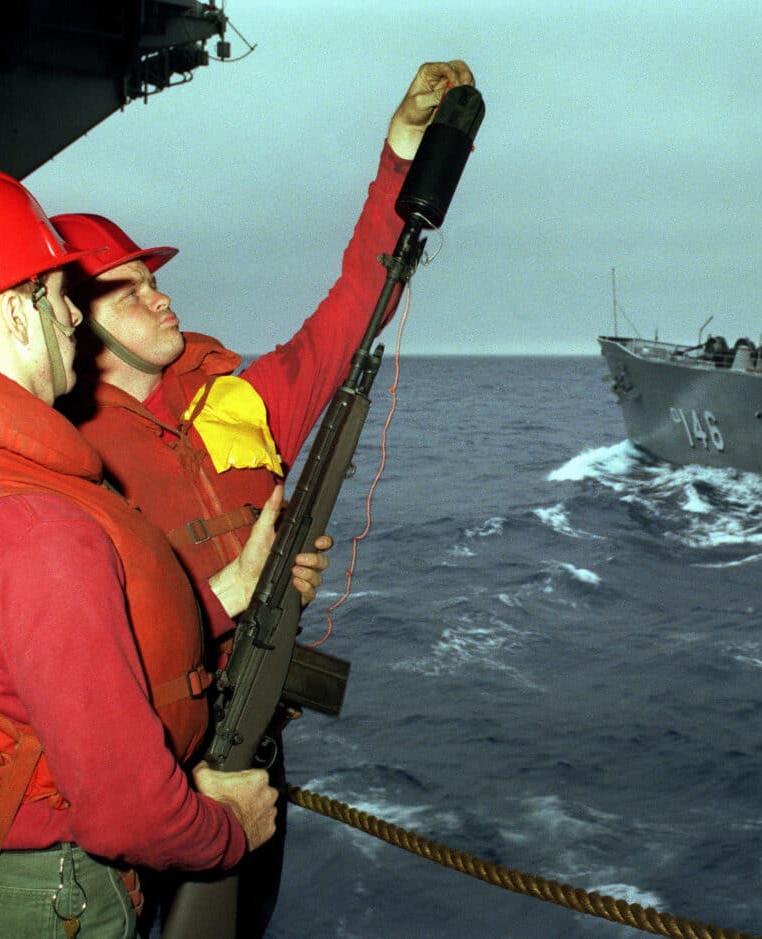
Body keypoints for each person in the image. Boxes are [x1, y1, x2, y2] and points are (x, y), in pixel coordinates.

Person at [0, 165, 324, 939]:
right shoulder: (33, 521)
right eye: (58, 296)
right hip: (40, 895)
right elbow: (130, 809)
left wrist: (227, 591)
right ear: (15, 313)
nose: (72, 322)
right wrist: (227, 825)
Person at [52, 58, 474, 937]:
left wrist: (401, 154)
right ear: (69, 319)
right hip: (143, 764)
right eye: (127, 291)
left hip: (259, 744)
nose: (161, 297)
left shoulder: (237, 399)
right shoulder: (58, 453)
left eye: (155, 276)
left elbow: (362, 292)